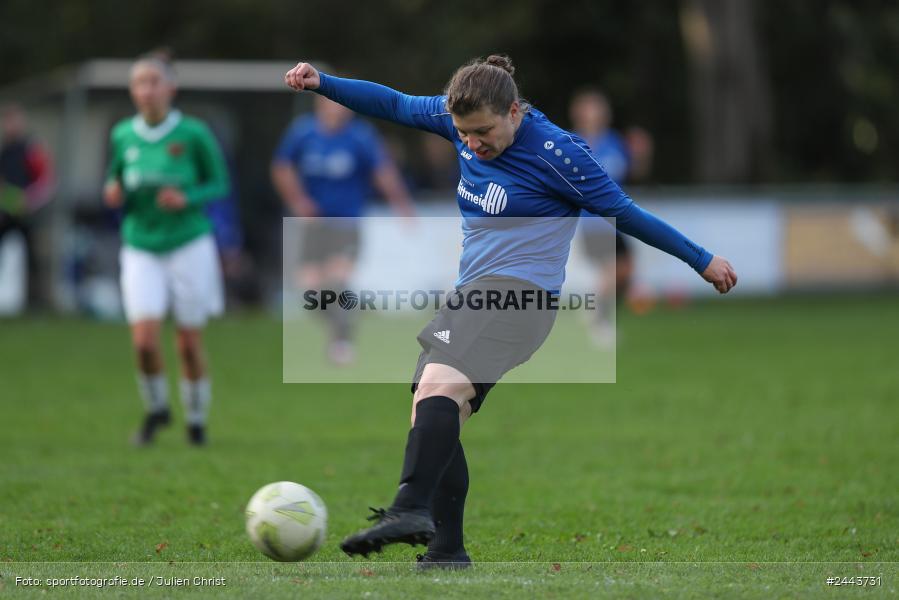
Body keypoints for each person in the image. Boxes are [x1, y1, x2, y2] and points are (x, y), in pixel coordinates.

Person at [284, 55, 737, 567]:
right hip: (474, 294)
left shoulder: (558, 154)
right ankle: (446, 550)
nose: (473, 143)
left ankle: (409, 509)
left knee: (438, 392)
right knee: (432, 407)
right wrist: (324, 84)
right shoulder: (457, 119)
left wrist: (701, 259)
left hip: (520, 296)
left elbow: (624, 212)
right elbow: (393, 103)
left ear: (514, 112)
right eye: (464, 134)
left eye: (483, 132)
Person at [103, 52, 230, 446]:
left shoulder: (193, 133)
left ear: (170, 88)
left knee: (188, 343)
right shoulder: (123, 134)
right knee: (144, 340)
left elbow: (220, 183)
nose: (147, 90)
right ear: (132, 91)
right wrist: (113, 191)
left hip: (188, 243)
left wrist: (187, 197)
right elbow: (115, 177)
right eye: (140, 83)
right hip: (141, 244)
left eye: (154, 82)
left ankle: (196, 421)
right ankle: (157, 409)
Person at [271, 92, 414, 365]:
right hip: (314, 226)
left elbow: (382, 171)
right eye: (334, 104)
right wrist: (298, 201)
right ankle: (344, 320)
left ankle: (342, 340)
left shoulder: (360, 136)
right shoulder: (303, 133)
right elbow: (281, 168)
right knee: (310, 293)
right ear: (320, 104)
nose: (339, 110)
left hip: (346, 224)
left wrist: (401, 205)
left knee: (337, 283)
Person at [568, 88, 636, 347]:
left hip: (615, 219)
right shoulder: (571, 143)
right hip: (592, 221)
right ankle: (597, 319)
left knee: (625, 270)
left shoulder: (614, 142)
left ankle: (597, 311)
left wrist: (642, 154)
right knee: (612, 269)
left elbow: (630, 174)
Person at [0, 104, 54, 310]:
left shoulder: (31, 148)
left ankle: (37, 301)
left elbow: (47, 180)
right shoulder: (5, 150)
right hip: (6, 211)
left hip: (28, 212)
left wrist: (28, 200)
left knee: (34, 257)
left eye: (14, 120)